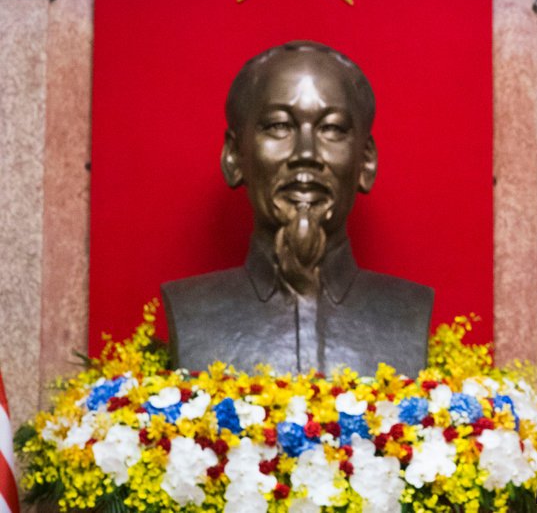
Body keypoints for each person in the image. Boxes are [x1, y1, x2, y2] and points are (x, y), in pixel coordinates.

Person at [162, 41, 433, 377]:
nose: (306, 153)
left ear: (366, 161)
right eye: (279, 126)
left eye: (332, 128)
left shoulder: (409, 311)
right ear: (233, 156)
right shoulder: (192, 309)